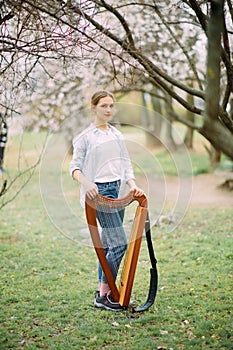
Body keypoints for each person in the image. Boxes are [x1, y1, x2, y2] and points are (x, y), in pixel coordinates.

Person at [70, 90, 144, 311]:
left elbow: (126, 164)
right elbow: (74, 168)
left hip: (117, 191)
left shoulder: (116, 135)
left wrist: (133, 185)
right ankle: (104, 294)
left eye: (111, 105)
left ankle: (102, 292)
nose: (109, 110)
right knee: (120, 243)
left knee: (110, 243)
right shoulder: (85, 137)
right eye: (104, 106)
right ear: (93, 108)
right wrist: (87, 184)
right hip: (97, 193)